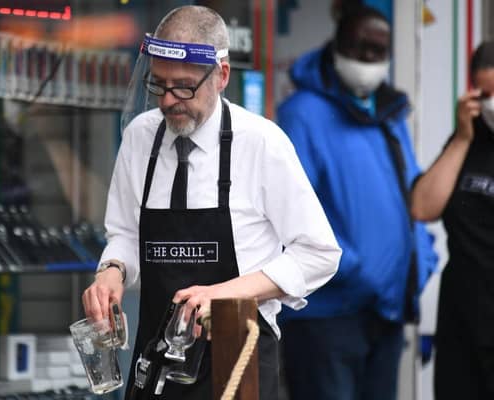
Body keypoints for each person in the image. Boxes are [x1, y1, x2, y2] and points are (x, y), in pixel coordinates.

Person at [81, 5, 342, 399]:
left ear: (221, 76)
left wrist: (225, 293)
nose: (168, 101)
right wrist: (112, 272)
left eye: (184, 87)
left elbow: (319, 254)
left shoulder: (261, 143)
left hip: (237, 358)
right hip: (155, 361)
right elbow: (124, 235)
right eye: (158, 84)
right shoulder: (140, 137)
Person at [276, 5, 438, 400]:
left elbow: (410, 192)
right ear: (336, 46)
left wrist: (423, 256)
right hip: (328, 316)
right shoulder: (302, 114)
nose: (368, 59)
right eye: (360, 47)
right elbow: (292, 211)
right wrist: (359, 271)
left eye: (378, 51)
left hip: (386, 310)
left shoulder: (390, 113)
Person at [411, 41, 494, 400]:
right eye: (486, 92)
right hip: (465, 317)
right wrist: (462, 137)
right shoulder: (469, 139)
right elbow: (422, 207)